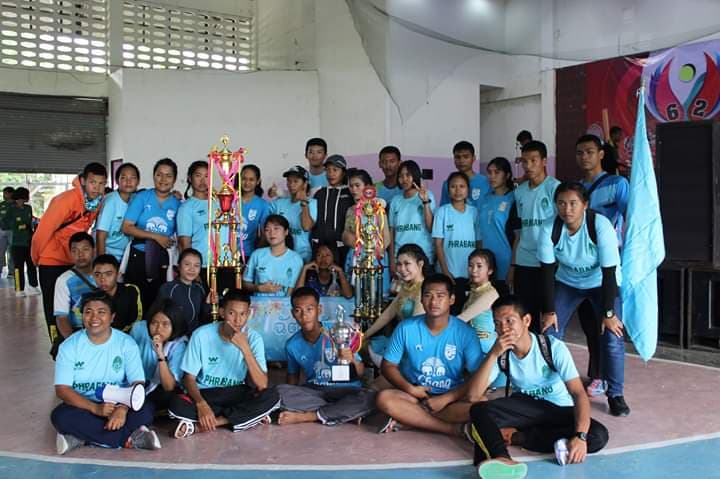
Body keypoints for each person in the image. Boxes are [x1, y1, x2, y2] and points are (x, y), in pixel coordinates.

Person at [465, 296, 608, 477]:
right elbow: (473, 396)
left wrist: (580, 437)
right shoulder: (501, 353)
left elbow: (578, 393)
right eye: (497, 323)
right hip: (526, 408)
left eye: (509, 321)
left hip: (559, 409)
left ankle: (518, 437)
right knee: (479, 410)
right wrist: (493, 354)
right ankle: (503, 459)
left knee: (598, 435)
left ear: (526, 320)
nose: (503, 329)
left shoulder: (552, 348)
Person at [537, 182, 629, 417]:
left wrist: (608, 314)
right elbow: (546, 272)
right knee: (549, 333)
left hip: (602, 283)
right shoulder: (549, 228)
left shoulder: (600, 226)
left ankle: (615, 395)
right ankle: (553, 389)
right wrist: (549, 311)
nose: (567, 209)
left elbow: (609, 272)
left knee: (613, 335)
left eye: (573, 203)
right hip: (567, 282)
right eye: (561, 203)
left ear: (585, 205)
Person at [52, 291, 160, 455]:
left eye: (101, 312)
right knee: (60, 416)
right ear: (82, 316)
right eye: (88, 312)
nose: (94, 318)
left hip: (120, 403)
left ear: (112, 317)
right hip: (84, 405)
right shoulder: (69, 346)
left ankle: (82, 438)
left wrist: (122, 409)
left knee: (147, 409)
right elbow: (62, 389)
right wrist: (95, 408)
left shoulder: (126, 343)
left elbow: (137, 383)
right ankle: (128, 438)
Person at [375, 274, 483, 436]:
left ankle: (412, 418)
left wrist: (445, 399)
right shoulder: (406, 328)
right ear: (421, 299)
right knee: (384, 399)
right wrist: (411, 389)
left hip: (451, 397)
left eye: (440, 296)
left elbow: (477, 376)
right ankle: (452, 429)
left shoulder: (466, 333)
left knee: (482, 405)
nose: (433, 302)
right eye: (428, 295)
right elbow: (388, 365)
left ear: (451, 299)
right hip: (415, 395)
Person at [168, 289, 280, 438]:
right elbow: (189, 378)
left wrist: (245, 348)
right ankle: (246, 417)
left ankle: (208, 424)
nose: (238, 320)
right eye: (232, 313)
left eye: (243, 314)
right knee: (176, 404)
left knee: (272, 396)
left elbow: (262, 384)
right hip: (206, 393)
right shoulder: (201, 335)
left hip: (236, 392)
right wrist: (201, 404)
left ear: (248, 314)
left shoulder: (254, 339)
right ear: (222, 312)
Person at [575, 134, 629, 397]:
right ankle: (597, 375)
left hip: (608, 266)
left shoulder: (617, 184)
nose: (584, 157)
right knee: (589, 324)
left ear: (600, 154)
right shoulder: (576, 188)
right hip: (580, 266)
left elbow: (632, 218)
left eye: (589, 152)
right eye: (580, 153)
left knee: (610, 324)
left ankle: (614, 386)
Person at [275, 287, 376, 426]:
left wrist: (351, 358)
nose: (304, 316)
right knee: (279, 392)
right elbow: (292, 379)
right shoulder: (292, 345)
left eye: (309, 309)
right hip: (316, 390)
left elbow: (360, 373)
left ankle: (310, 415)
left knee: (370, 397)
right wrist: (288, 395)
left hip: (347, 390)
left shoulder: (339, 331)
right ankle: (341, 412)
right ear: (293, 313)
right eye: (298, 310)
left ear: (319, 309)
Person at [32, 162, 107, 342]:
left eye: (101, 183)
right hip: (51, 261)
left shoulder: (95, 203)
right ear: (83, 181)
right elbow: (42, 232)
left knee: (75, 308)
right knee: (54, 310)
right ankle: (58, 347)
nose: (96, 188)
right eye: (92, 182)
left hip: (73, 261)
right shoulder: (66, 200)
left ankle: (78, 346)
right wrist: (36, 259)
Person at [509, 141, 560, 331]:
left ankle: (547, 349)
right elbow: (520, 232)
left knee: (549, 318)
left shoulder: (555, 188)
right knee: (525, 317)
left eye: (533, 160)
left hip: (548, 263)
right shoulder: (519, 192)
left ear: (544, 161)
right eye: (524, 161)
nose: (528, 166)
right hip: (524, 262)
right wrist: (514, 265)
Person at [122, 158, 181, 310]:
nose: (163, 179)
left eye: (168, 176)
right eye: (159, 174)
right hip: (139, 256)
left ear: (174, 180)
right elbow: (127, 227)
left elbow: (179, 235)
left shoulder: (177, 203)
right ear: (154, 176)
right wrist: (156, 236)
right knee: (135, 303)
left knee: (158, 304)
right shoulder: (142, 197)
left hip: (163, 259)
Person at [457, 250, 504, 391]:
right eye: (470, 266)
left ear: (490, 270)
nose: (473, 270)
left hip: (486, 351)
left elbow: (462, 319)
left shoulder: (490, 294)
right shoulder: (474, 291)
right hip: (472, 347)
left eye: (479, 266)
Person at [433, 171, 480, 311]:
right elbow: (438, 244)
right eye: (453, 186)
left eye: (462, 186)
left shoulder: (474, 212)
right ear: (448, 190)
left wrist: (476, 272)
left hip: (470, 274)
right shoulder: (442, 212)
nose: (458, 190)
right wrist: (445, 271)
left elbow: (479, 243)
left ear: (468, 189)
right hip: (448, 273)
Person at [130, 299, 188, 410]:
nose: (158, 329)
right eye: (154, 323)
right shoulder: (139, 329)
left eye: (165, 324)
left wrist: (161, 355)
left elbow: (169, 386)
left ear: (174, 325)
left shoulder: (179, 344)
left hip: (159, 389)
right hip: (136, 383)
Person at [363, 244, 428, 344]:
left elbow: (415, 328)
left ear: (420, 264)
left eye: (407, 264)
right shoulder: (406, 287)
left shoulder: (425, 290)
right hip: (402, 339)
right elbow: (388, 314)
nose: (402, 269)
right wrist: (364, 335)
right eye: (399, 264)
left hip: (415, 344)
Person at [342, 168, 391, 297]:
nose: (353, 189)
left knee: (376, 297)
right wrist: (352, 240)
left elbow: (386, 238)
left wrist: (373, 255)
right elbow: (346, 235)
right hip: (356, 258)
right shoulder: (351, 210)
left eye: (357, 185)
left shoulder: (378, 208)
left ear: (367, 187)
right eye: (351, 186)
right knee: (357, 297)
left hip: (375, 259)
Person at [388, 160, 435, 272]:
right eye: (401, 176)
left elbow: (430, 227)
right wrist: (392, 260)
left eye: (408, 175)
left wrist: (425, 201)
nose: (404, 179)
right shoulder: (395, 201)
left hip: (423, 256)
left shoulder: (428, 195)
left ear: (415, 175)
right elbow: (391, 232)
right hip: (401, 258)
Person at [53, 233, 98, 347]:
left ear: (94, 251)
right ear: (70, 253)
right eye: (75, 251)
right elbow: (61, 317)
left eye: (85, 249)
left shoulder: (103, 275)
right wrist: (75, 344)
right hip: (78, 331)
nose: (80, 254)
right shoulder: (64, 280)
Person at [477, 158, 515, 288]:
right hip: (485, 261)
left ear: (507, 175)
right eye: (489, 172)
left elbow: (518, 236)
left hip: (505, 260)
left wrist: (513, 266)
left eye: (497, 172)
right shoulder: (485, 198)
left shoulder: (513, 198)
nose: (492, 176)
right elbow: (480, 231)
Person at [243, 214, 304, 297]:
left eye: (276, 228)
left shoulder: (296, 259)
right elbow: (245, 283)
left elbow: (292, 290)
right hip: (259, 303)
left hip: (285, 304)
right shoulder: (257, 255)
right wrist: (259, 288)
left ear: (286, 232)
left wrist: (283, 303)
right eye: (267, 230)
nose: (272, 233)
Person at [155, 248, 211, 333]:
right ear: (179, 266)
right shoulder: (168, 288)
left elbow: (203, 316)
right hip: (173, 336)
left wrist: (207, 303)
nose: (192, 269)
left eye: (196, 266)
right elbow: (158, 316)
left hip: (194, 336)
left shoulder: (199, 288)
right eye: (187, 264)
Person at [311, 154, 354, 266]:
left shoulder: (350, 193)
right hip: (319, 246)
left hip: (342, 246)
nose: (331, 174)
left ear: (343, 172)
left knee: (342, 273)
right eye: (328, 170)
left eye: (335, 170)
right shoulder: (319, 193)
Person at [269, 165, 317, 262]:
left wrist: (304, 203)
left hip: (302, 256)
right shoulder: (279, 203)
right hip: (280, 255)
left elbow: (307, 227)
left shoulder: (312, 203)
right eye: (289, 181)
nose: (291, 184)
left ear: (305, 184)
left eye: (296, 181)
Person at [95, 162, 140, 261]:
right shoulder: (110, 201)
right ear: (117, 180)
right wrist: (102, 263)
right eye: (123, 177)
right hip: (109, 254)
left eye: (132, 178)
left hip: (126, 255)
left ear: (138, 181)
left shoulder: (137, 199)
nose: (128, 181)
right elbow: (100, 235)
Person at [3, 187, 40, 296]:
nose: (25, 199)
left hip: (29, 241)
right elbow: (4, 223)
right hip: (17, 242)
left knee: (31, 265)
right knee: (18, 267)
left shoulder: (28, 208)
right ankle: (19, 289)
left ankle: (33, 286)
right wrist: (16, 226)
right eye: (24, 196)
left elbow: (30, 221)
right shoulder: (11, 209)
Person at [93, 254, 142, 332]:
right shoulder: (92, 297)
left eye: (108, 274)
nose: (102, 279)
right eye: (97, 275)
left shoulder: (131, 290)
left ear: (118, 274)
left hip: (127, 335)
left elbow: (137, 319)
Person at [439, 141, 490, 211]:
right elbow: (444, 208)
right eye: (458, 157)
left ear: (473, 158)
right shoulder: (447, 184)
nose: (461, 161)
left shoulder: (486, 182)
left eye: (466, 157)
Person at [177, 161, 210, 269]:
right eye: (198, 175)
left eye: (207, 176)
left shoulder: (220, 202)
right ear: (190, 178)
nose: (203, 180)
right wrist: (192, 269)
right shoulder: (186, 207)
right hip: (201, 265)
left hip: (224, 263)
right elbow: (184, 243)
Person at [239, 164, 270, 259]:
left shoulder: (263, 204)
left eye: (251, 179)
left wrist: (257, 255)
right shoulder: (230, 200)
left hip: (248, 253)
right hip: (226, 253)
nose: (247, 183)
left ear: (258, 181)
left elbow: (264, 233)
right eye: (244, 179)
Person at [0, 186, 15, 279]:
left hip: (12, 231)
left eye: (5, 193)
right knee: (0, 251)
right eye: (3, 193)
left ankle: (11, 272)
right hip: (2, 230)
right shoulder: (1, 204)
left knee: (11, 252)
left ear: (10, 194)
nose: (4, 195)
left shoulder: (15, 204)